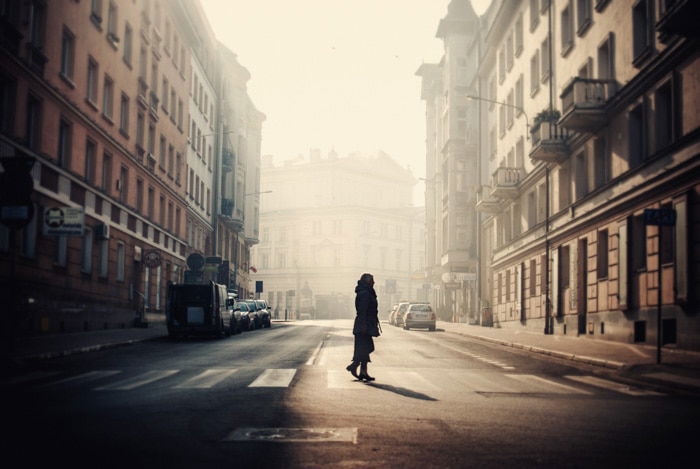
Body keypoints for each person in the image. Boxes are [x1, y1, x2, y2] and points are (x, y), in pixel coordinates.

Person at [346, 273, 380, 382]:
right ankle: (356, 366)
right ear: (367, 281)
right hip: (363, 324)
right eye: (372, 280)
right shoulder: (365, 293)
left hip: (365, 324)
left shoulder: (366, 292)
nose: (374, 282)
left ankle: (362, 371)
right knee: (366, 348)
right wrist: (364, 325)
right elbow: (363, 310)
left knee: (365, 348)